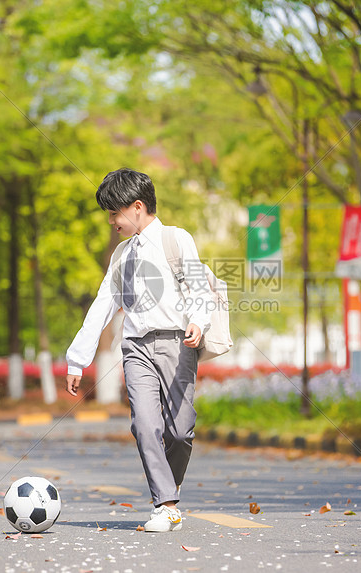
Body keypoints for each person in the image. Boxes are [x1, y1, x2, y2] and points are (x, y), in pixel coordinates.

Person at [65, 168, 212, 532]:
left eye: (115, 212)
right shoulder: (121, 255)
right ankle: (165, 503)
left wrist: (198, 321)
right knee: (145, 423)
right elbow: (103, 305)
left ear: (137, 206)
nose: (112, 221)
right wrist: (77, 359)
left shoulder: (176, 240)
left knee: (180, 431)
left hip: (178, 343)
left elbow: (199, 288)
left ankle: (169, 489)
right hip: (136, 348)